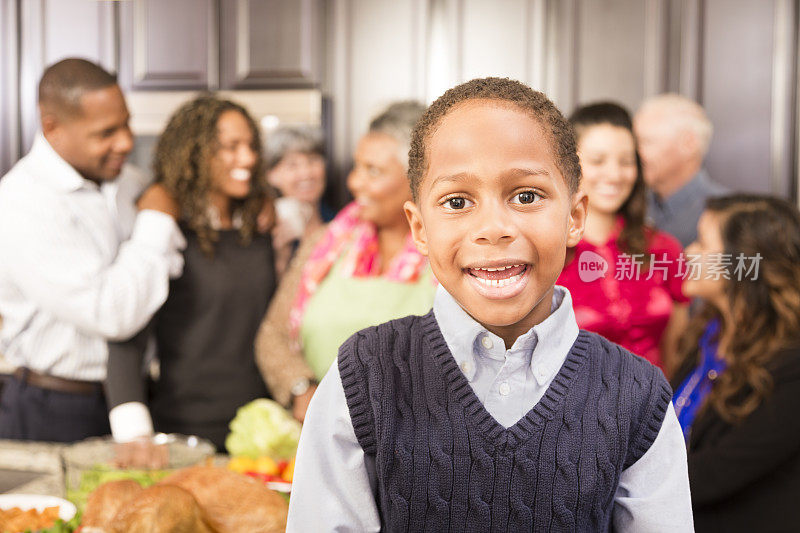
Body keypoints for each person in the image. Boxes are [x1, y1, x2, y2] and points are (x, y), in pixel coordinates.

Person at [287, 78, 693, 531]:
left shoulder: (637, 396)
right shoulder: (362, 377)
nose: (493, 228)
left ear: (574, 217)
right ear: (420, 229)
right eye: (457, 201)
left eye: (526, 196)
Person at [0, 58, 183, 443]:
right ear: (52, 128)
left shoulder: (129, 181)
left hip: (135, 398)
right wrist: (155, 221)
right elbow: (112, 314)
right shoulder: (22, 202)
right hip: (53, 407)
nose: (126, 142)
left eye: (127, 123)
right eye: (106, 133)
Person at [106, 95, 279, 451]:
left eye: (251, 146)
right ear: (194, 154)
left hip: (262, 430)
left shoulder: (260, 227)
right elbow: (127, 339)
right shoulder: (166, 236)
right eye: (230, 147)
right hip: (185, 432)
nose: (247, 158)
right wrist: (135, 434)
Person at [254, 101, 436, 422]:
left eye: (373, 171)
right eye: (357, 167)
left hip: (418, 440)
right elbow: (273, 334)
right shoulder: (324, 244)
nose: (355, 182)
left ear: (419, 179)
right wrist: (301, 387)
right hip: (321, 437)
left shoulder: (447, 255)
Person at [671, 194, 800, 531]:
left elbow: (716, 473)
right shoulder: (709, 333)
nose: (689, 252)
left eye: (702, 243)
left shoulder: (790, 364)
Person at [558, 102, 689, 372]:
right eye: (597, 161)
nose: (615, 174)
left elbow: (677, 352)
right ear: (568, 166)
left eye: (626, 161)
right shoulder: (547, 250)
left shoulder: (663, 248)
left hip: (659, 408)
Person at [634, 93, 727, 248]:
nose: (635, 153)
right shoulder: (631, 206)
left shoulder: (725, 214)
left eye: (646, 142)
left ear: (689, 143)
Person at [265, 125, 334, 276]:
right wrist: (281, 255)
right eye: (292, 165)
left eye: (312, 160)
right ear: (272, 176)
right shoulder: (265, 230)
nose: (306, 173)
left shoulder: (341, 223)